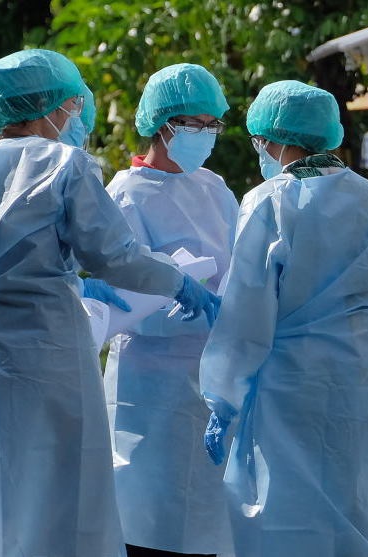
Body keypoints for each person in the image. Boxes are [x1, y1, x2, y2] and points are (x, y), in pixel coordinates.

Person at [0, 48, 219, 557]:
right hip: (46, 360)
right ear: (50, 105)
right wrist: (179, 283)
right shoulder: (63, 165)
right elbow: (115, 255)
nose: (79, 111)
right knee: (56, 509)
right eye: (73, 101)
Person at [198, 80, 368, 557]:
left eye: (260, 141)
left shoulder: (269, 201)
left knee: (283, 513)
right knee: (346, 504)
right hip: (352, 371)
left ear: (274, 138)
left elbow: (246, 312)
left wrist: (224, 396)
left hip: (287, 377)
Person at [103, 63, 237, 557]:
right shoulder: (124, 196)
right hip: (148, 383)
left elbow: (240, 263)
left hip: (211, 373)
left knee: (206, 521)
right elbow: (117, 290)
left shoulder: (215, 188)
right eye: (193, 124)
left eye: (211, 124)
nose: (204, 135)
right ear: (162, 124)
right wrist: (175, 297)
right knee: (147, 520)